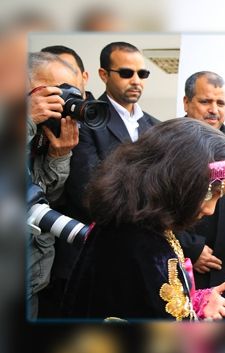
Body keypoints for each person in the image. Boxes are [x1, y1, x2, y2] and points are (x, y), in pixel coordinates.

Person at [62, 118, 225, 320]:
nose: (210, 209)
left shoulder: (144, 227)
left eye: (218, 196)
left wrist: (197, 303)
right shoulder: (140, 245)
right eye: (208, 193)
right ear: (177, 179)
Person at [41, 42, 160, 318]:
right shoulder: (85, 118)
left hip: (137, 260)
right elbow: (90, 192)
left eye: (142, 74)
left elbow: (163, 188)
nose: (135, 81)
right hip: (88, 257)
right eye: (126, 73)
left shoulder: (155, 127)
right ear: (104, 75)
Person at [179, 71, 225, 305]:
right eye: (205, 101)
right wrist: (191, 248)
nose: (214, 109)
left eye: (220, 103)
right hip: (183, 268)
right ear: (187, 102)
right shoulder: (167, 143)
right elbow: (149, 204)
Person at [26, 51, 82, 319]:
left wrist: (59, 157)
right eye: (57, 91)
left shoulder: (41, 131)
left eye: (71, 91)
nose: (64, 100)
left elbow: (39, 196)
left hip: (30, 282)